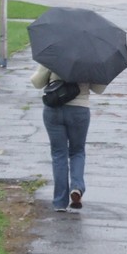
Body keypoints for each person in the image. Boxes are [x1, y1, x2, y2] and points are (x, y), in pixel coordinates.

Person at [31, 64, 106, 211]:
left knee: (59, 154)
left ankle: (59, 202)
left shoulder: (54, 54)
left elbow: (37, 82)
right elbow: (99, 89)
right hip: (79, 110)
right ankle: (77, 187)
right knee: (77, 151)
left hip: (54, 109)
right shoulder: (89, 57)